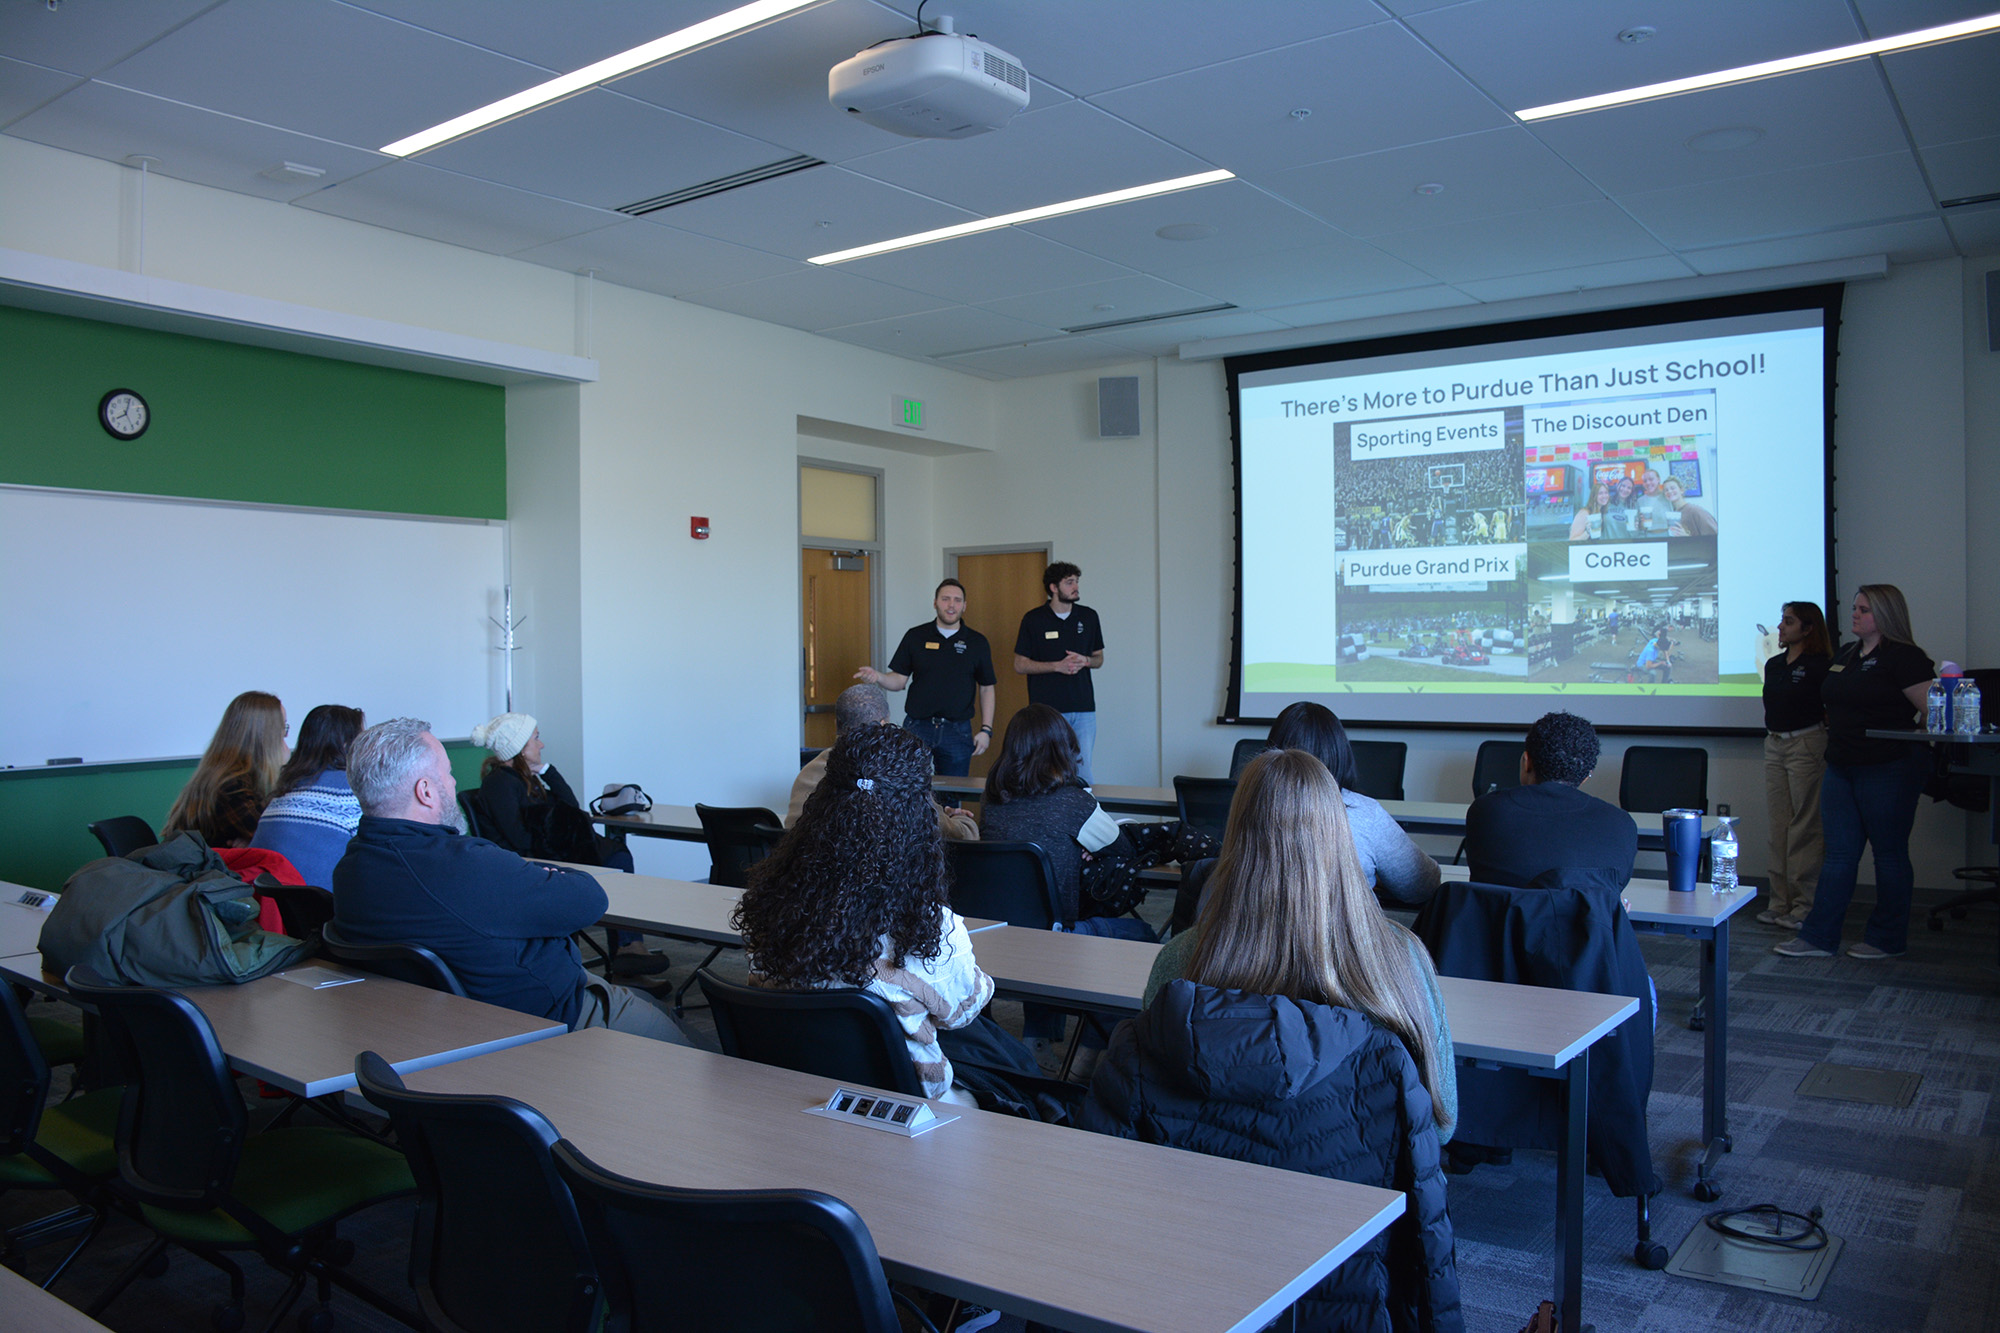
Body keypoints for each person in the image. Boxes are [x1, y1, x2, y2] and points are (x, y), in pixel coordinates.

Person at [1085, 750, 1463, 1333]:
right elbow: (1438, 1125)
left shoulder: (1180, 960)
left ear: (1234, 837)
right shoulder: (1402, 960)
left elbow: (1148, 1109)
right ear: (1340, 834)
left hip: (1194, 1257)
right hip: (1355, 1267)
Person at [332, 717, 690, 1044]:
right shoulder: (464, 865)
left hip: (438, 1024)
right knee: (697, 1055)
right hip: (547, 1019)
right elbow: (589, 899)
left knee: (653, 1007)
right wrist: (551, 876)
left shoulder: (351, 868)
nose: (454, 783)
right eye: (448, 773)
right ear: (425, 791)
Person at [734, 724, 998, 1106]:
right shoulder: (927, 928)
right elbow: (964, 1012)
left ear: (822, 804)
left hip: (791, 1089)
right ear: (919, 818)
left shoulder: (773, 904)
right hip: (906, 1108)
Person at [1777, 585, 1935, 960]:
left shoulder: (1905, 657)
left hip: (1889, 766)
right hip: (1842, 764)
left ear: (1886, 614)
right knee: (1839, 855)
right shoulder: (1846, 654)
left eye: (1864, 609)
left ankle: (1886, 939)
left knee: (1889, 854)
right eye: (1854, 608)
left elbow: (1933, 709)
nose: (1855, 614)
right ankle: (1818, 937)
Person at [471, 711, 656, 973]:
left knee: (617, 855)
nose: (541, 744)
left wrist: (548, 772)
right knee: (611, 858)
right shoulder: (499, 784)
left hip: (551, 851)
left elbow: (572, 810)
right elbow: (520, 839)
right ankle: (619, 952)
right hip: (531, 861)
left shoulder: (527, 779)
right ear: (520, 748)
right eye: (536, 738)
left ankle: (627, 951)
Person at [978, 705, 1156, 942]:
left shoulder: (991, 799)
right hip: (1056, 933)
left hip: (995, 927)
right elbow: (1123, 849)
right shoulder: (1074, 801)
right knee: (1143, 933)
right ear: (1061, 748)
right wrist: (1085, 848)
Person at [1262, 702, 1439, 906]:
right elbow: (1422, 886)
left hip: (1258, 936)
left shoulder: (1245, 806)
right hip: (1349, 937)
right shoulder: (1364, 813)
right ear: (1339, 751)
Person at [1464, 711, 1637, 893]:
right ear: (1586, 776)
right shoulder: (1621, 824)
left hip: (1501, 921)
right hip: (1584, 922)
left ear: (1526, 762)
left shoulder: (1487, 811)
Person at [789, 682, 978, 841]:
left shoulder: (807, 773)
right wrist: (962, 821)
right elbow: (960, 836)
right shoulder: (899, 776)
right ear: (883, 725)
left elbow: (791, 834)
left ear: (837, 724)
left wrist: (941, 811)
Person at [855, 578, 996, 778]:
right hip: (917, 727)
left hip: (957, 731)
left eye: (957, 600)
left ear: (964, 605)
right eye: (945, 599)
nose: (951, 605)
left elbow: (987, 688)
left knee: (952, 796)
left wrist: (986, 730)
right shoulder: (916, 636)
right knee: (906, 787)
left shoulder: (977, 642)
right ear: (935, 602)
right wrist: (877, 676)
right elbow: (899, 680)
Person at [1760, 601, 1833, 927]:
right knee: (1780, 825)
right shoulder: (1775, 664)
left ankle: (1805, 906)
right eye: (1782, 621)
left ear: (1808, 628)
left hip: (1806, 743)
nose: (1780, 627)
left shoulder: (1822, 666)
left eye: (1788, 622)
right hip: (1774, 744)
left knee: (1805, 825)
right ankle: (1779, 901)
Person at [247, 703, 364, 886]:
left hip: (276, 909)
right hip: (326, 907)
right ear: (346, 744)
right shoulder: (350, 792)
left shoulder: (281, 794)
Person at [1014, 561, 1105, 784]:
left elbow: (1099, 659)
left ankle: (1086, 817)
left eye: (1076, 581)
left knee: (1083, 773)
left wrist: (1086, 661)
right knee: (1047, 771)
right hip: (1047, 711)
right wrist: (1057, 666)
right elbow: (1020, 664)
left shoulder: (1089, 616)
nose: (1076, 587)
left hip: (1084, 710)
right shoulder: (1033, 619)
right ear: (1054, 587)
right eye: (1069, 582)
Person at [162, 690, 289, 849]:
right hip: (206, 872)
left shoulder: (226, 773)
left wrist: (251, 843)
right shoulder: (232, 787)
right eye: (283, 728)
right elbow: (278, 839)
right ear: (267, 737)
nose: (285, 737)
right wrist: (285, 771)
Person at [1631, 467, 1672, 536]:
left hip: (1668, 535)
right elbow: (1639, 527)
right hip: (1648, 536)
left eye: (1651, 479)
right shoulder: (1640, 501)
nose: (1648, 483)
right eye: (1645, 481)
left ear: (1658, 479)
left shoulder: (1668, 496)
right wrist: (1641, 524)